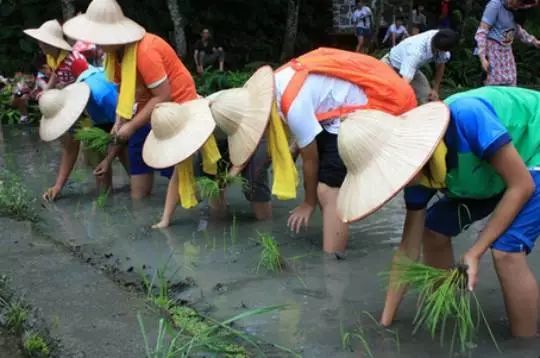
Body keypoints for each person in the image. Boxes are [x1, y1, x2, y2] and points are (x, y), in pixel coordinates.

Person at [210, 48, 417, 254]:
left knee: (328, 190)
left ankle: (334, 263)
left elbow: (310, 160)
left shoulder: (293, 107)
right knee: (322, 183)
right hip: (338, 108)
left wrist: (308, 203)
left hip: (373, 104)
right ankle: (333, 235)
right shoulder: (276, 83)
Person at [378, 86, 540, 338]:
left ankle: (525, 344)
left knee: (506, 251)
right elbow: (407, 250)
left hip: (532, 150)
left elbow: (522, 186)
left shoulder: (466, 116)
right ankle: (444, 309)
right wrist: (385, 324)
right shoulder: (413, 177)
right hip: (491, 169)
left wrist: (475, 252)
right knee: (432, 230)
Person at [63, 0, 198, 199]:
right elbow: (126, 97)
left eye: (100, 38)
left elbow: (164, 95)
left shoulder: (145, 51)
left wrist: (132, 125)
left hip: (176, 107)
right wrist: (119, 123)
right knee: (138, 193)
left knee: (177, 179)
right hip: (147, 108)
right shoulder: (113, 56)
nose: (97, 43)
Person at [151, 67, 286, 228]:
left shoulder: (217, 114)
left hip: (253, 126)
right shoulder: (188, 132)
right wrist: (165, 219)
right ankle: (221, 221)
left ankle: (266, 226)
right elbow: (177, 176)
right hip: (222, 136)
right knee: (212, 184)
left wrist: (231, 175)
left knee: (253, 182)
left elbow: (247, 142)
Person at [40, 61, 128, 201]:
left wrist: (109, 159)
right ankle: (106, 197)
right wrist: (57, 186)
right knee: (98, 171)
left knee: (134, 172)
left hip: (123, 115)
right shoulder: (72, 111)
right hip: (100, 120)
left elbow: (125, 127)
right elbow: (70, 149)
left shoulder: (101, 95)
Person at [381, 29, 459, 104]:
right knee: (384, 96)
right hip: (389, 65)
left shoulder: (442, 38)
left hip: (412, 70)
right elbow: (404, 83)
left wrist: (435, 89)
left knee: (427, 97)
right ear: (438, 49)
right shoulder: (415, 51)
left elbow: (440, 65)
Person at [475, 0, 540, 86]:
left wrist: (534, 41)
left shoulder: (515, 10)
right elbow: (482, 31)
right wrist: (483, 58)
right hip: (493, 50)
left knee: (511, 83)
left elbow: (518, 30)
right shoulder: (495, 5)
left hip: (507, 51)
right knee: (494, 85)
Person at [23, 20, 87, 90]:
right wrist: (46, 90)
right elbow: (55, 72)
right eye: (40, 42)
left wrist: (67, 86)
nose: (40, 45)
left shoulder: (75, 61)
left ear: (53, 44)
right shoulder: (50, 57)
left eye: (44, 42)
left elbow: (86, 81)